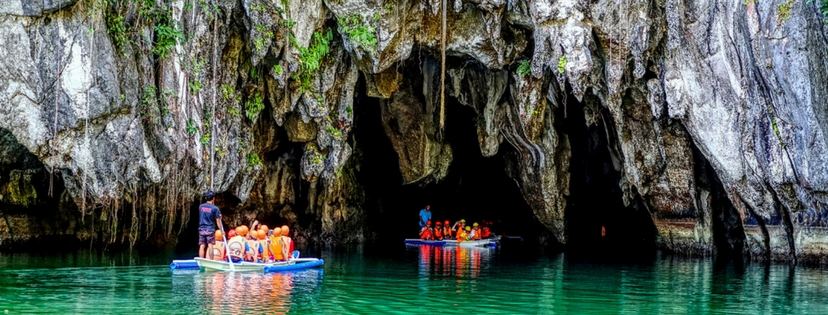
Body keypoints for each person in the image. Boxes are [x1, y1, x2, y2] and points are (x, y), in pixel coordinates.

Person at [197, 190, 222, 260]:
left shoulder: (201, 207)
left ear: (206, 198)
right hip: (210, 229)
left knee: (202, 245)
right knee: (210, 245)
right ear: (213, 198)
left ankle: (201, 260)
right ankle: (211, 260)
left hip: (201, 228)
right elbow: (218, 221)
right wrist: (221, 230)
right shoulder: (215, 208)